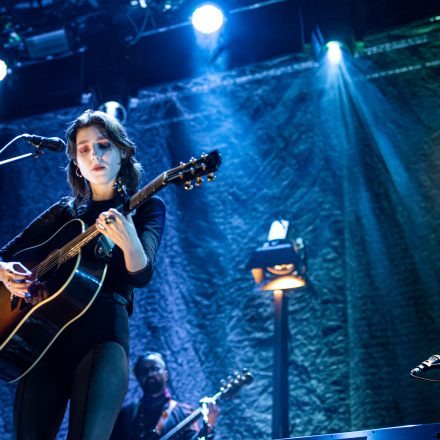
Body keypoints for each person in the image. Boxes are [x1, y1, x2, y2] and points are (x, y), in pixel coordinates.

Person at [0, 109, 166, 440]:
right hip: (41, 343)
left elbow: (141, 275)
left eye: (103, 145)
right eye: (84, 148)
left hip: (102, 339)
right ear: (76, 162)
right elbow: (4, 255)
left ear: (122, 152)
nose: (95, 155)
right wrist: (5, 273)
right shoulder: (64, 213)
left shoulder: (147, 207)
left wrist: (129, 240)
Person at [110, 352, 219, 440]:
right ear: (138, 377)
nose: (150, 374)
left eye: (155, 368)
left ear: (166, 375)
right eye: (144, 371)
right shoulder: (126, 414)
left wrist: (209, 427)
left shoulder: (183, 412)